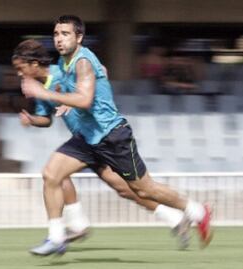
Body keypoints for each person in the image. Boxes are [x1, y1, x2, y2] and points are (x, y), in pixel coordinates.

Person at [21, 15, 213, 256]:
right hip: (86, 138)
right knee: (51, 174)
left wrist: (47, 94)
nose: (59, 39)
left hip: (112, 137)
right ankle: (56, 237)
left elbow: (84, 99)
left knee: (145, 190)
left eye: (65, 34)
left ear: (79, 37)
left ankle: (197, 212)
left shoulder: (82, 62)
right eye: (57, 34)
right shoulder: (66, 62)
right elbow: (83, 90)